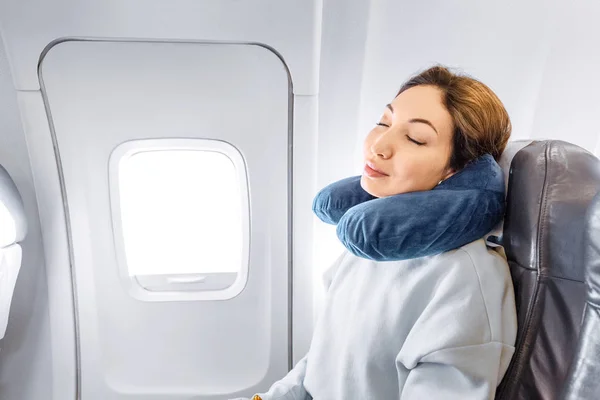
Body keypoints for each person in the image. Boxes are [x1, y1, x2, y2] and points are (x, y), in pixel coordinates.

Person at [234, 65, 517, 400]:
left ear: (456, 170)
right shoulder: (367, 246)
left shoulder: (466, 281)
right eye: (384, 122)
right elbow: (324, 363)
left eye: (415, 138)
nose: (379, 145)